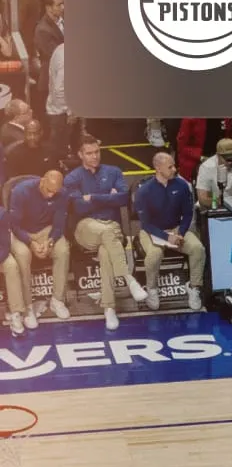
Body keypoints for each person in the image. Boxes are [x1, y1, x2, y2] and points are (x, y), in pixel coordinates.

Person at [66, 139, 145, 330]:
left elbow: (122, 198)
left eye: (97, 152)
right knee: (107, 235)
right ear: (80, 155)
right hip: (86, 227)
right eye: (89, 153)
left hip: (112, 226)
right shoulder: (72, 177)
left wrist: (92, 197)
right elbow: (78, 206)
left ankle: (109, 308)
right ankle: (128, 279)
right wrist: (108, 197)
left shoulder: (114, 171)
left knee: (106, 252)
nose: (94, 156)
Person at [129, 152, 204, 312]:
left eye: (174, 165)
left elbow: (188, 213)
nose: (174, 169)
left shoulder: (182, 186)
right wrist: (166, 237)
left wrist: (181, 233)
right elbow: (146, 223)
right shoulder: (144, 191)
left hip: (176, 229)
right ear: (158, 168)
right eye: (170, 167)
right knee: (155, 254)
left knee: (197, 248)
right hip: (151, 231)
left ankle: (194, 287)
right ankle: (152, 290)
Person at [5, 169, 69, 328]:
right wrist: (30, 242)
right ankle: (27, 308)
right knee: (22, 255)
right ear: (42, 181)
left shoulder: (62, 193)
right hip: (21, 232)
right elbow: (13, 224)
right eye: (48, 190)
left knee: (63, 249)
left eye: (55, 192)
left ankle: (57, 300)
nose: (51, 195)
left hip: (45, 231)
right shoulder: (21, 191)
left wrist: (51, 241)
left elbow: (59, 224)